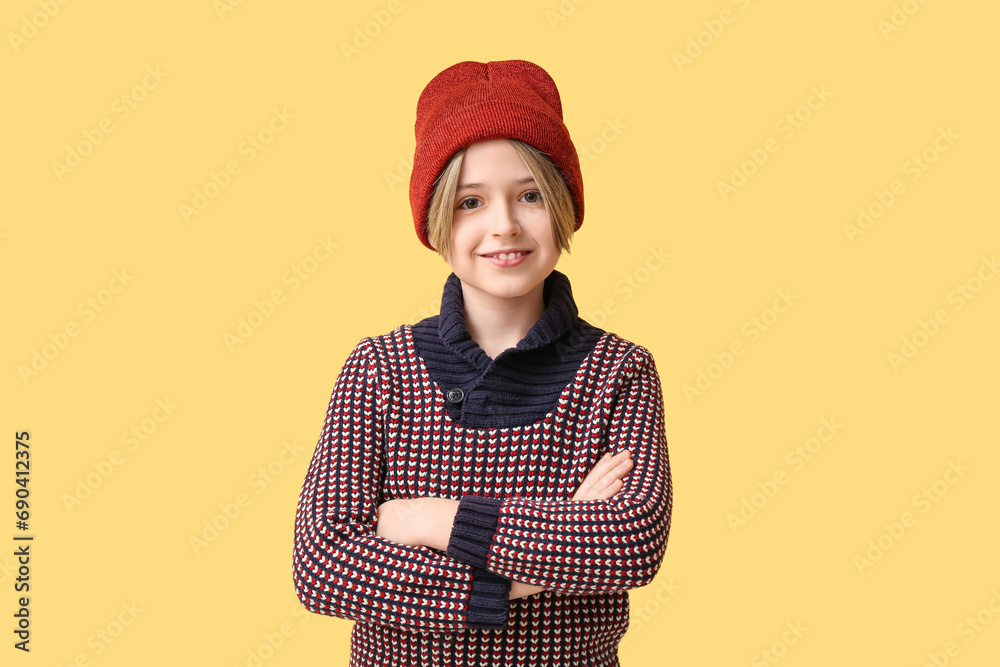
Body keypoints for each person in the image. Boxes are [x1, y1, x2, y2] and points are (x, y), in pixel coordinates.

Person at [292, 59, 672, 666]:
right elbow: (324, 562)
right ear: (437, 220)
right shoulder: (379, 369)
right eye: (471, 202)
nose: (504, 226)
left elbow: (629, 543)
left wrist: (429, 519)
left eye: (529, 195)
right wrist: (531, 563)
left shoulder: (619, 371)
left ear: (563, 205)